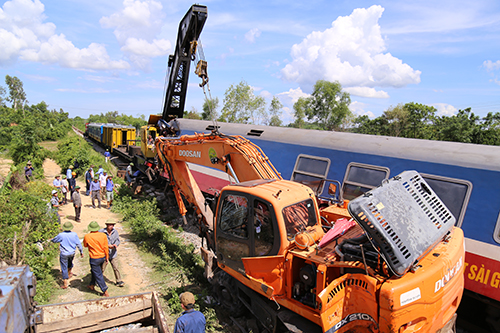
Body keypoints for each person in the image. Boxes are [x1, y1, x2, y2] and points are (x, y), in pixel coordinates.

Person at [51, 222, 83, 289]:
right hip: (72, 253)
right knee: (70, 263)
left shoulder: (61, 235)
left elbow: (54, 240)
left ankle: (65, 283)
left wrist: (51, 240)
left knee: (64, 267)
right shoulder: (74, 234)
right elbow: (78, 244)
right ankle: (69, 274)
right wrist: (81, 252)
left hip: (64, 253)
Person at [83, 221, 109, 297]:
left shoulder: (87, 236)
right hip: (102, 257)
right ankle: (91, 285)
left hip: (94, 258)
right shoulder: (103, 235)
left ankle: (105, 291)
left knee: (98, 274)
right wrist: (107, 257)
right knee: (95, 271)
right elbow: (106, 247)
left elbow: (85, 245)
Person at [99, 220, 124, 287]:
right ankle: (98, 281)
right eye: (110, 225)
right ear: (106, 225)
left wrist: (115, 245)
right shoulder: (101, 232)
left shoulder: (115, 232)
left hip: (113, 253)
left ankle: (119, 281)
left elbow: (118, 240)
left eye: (112, 225)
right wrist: (107, 246)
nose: (111, 226)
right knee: (102, 268)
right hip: (104, 254)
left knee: (116, 267)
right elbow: (99, 242)